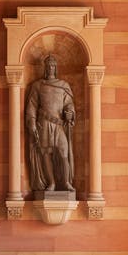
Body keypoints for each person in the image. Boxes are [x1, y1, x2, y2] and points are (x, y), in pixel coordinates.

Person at [26, 54, 75, 191]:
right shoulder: (38, 85)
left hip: (58, 124)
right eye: (48, 66)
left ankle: (66, 182)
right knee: (45, 153)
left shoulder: (63, 85)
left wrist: (70, 113)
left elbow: (69, 104)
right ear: (45, 68)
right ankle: (52, 183)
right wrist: (32, 123)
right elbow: (32, 105)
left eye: (53, 65)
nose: (50, 68)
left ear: (56, 67)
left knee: (63, 151)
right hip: (44, 123)